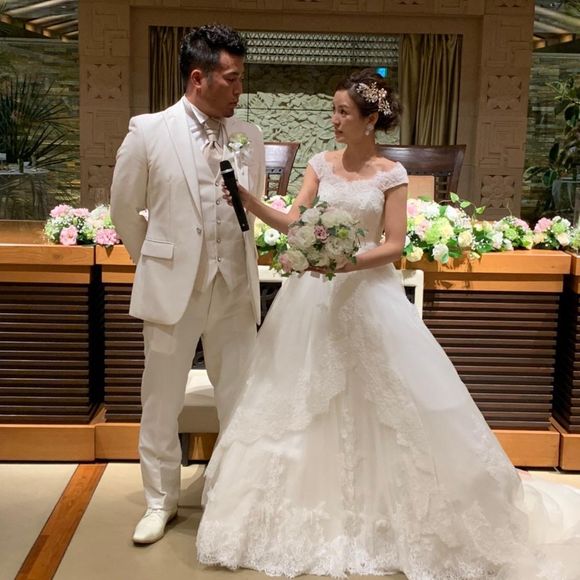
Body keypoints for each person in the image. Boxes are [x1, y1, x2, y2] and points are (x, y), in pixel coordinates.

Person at [196, 69, 580, 579]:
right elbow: (296, 222)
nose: (334, 120)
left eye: (343, 112)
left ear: (370, 119)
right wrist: (250, 202)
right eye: (333, 111)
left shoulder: (390, 174)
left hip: (367, 294)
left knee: (390, 398)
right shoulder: (320, 164)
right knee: (297, 398)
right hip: (311, 299)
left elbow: (394, 245)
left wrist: (346, 263)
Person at [110, 24, 265, 545]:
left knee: (239, 394)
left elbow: (250, 212)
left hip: (235, 285)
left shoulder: (248, 135)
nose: (240, 88)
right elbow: (124, 209)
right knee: (161, 398)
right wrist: (156, 261)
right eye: (232, 78)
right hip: (172, 287)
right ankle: (160, 501)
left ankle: (229, 497)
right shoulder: (148, 131)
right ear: (199, 78)